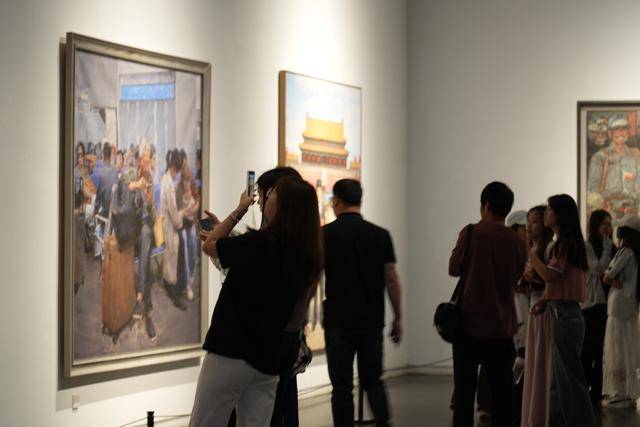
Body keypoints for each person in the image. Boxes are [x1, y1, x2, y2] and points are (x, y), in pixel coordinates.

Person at [189, 177, 323, 427]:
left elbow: (209, 245)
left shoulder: (260, 242)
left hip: (230, 351)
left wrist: (239, 211)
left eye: (272, 193)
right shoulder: (307, 255)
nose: (266, 197)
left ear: (282, 205)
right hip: (268, 358)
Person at [323, 179, 402, 427]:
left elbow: (311, 278)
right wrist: (398, 317)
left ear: (336, 201)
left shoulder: (325, 234)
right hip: (371, 320)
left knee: (341, 387)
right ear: (360, 200)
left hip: (337, 321)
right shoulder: (380, 235)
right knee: (374, 381)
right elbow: (391, 278)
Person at [449, 181, 527, 427]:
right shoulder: (517, 241)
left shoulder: (471, 232)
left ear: (486, 205)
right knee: (502, 395)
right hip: (502, 326)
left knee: (464, 393)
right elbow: (519, 276)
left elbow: (453, 268)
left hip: (469, 324)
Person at [528, 194, 595, 426]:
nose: (545, 213)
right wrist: (547, 301)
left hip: (565, 316)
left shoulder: (563, 244)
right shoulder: (568, 243)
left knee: (571, 382)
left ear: (560, 214)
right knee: (558, 383)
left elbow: (550, 276)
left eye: (549, 209)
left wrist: (533, 256)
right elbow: (564, 283)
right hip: (564, 312)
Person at [520, 205, 554, 427]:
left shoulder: (548, 248)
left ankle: (543, 415)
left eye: (534, 222)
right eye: (528, 222)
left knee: (542, 362)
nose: (529, 227)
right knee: (534, 362)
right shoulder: (533, 249)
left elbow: (553, 281)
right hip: (534, 307)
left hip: (544, 310)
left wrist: (533, 277)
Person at [601, 215, 640, 408]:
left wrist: (611, 279)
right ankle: (627, 391)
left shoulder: (626, 252)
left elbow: (608, 275)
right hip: (629, 305)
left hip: (618, 306)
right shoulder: (635, 254)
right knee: (627, 348)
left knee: (616, 348)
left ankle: (618, 392)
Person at [581, 209, 615, 406]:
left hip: (606, 305)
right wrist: (607, 247)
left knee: (601, 350)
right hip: (591, 304)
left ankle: (598, 392)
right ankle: (584, 390)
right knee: (588, 350)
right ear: (595, 226)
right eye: (604, 224)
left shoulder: (611, 247)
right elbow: (599, 269)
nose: (607, 228)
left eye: (609, 224)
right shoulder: (588, 247)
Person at [587, 115, 638, 220]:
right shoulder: (599, 157)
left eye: (624, 129)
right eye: (617, 129)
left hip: (633, 213)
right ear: (610, 134)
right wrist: (610, 199)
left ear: (628, 132)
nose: (621, 133)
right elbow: (592, 190)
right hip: (608, 214)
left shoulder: (635, 156)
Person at [160, 149, 187, 309]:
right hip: (169, 226)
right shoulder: (169, 184)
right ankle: (175, 293)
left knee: (170, 257)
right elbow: (173, 213)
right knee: (177, 255)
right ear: (175, 167)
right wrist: (182, 214)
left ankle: (168, 285)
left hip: (166, 223)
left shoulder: (166, 179)